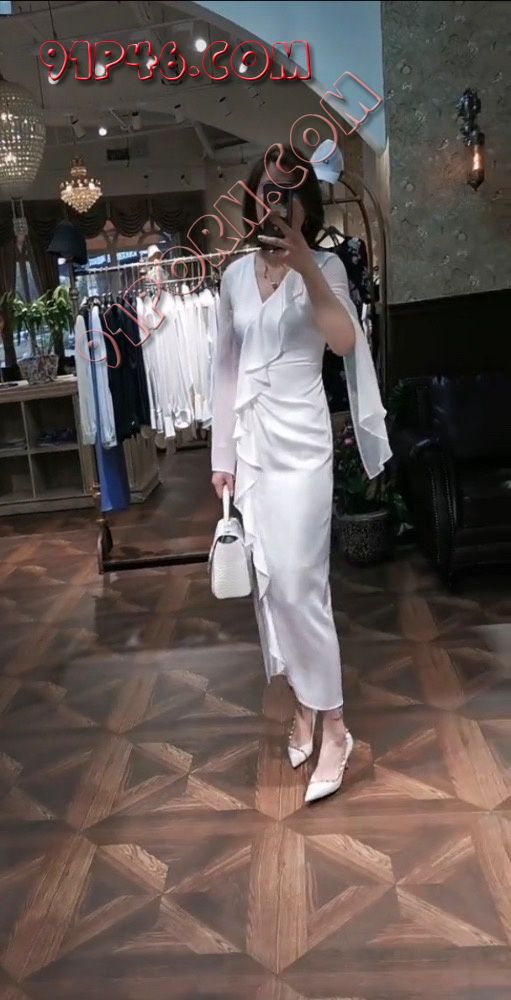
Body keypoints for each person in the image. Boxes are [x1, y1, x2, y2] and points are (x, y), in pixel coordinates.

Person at [211, 145, 391, 804]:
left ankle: (335, 725)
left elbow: (342, 342)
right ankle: (302, 705)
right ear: (251, 198)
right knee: (270, 585)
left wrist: (307, 266)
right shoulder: (233, 276)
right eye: (264, 191)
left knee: (299, 584)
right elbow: (223, 369)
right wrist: (221, 458)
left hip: (303, 445)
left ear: (303, 204)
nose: (273, 202)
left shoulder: (327, 266)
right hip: (252, 447)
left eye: (285, 192)